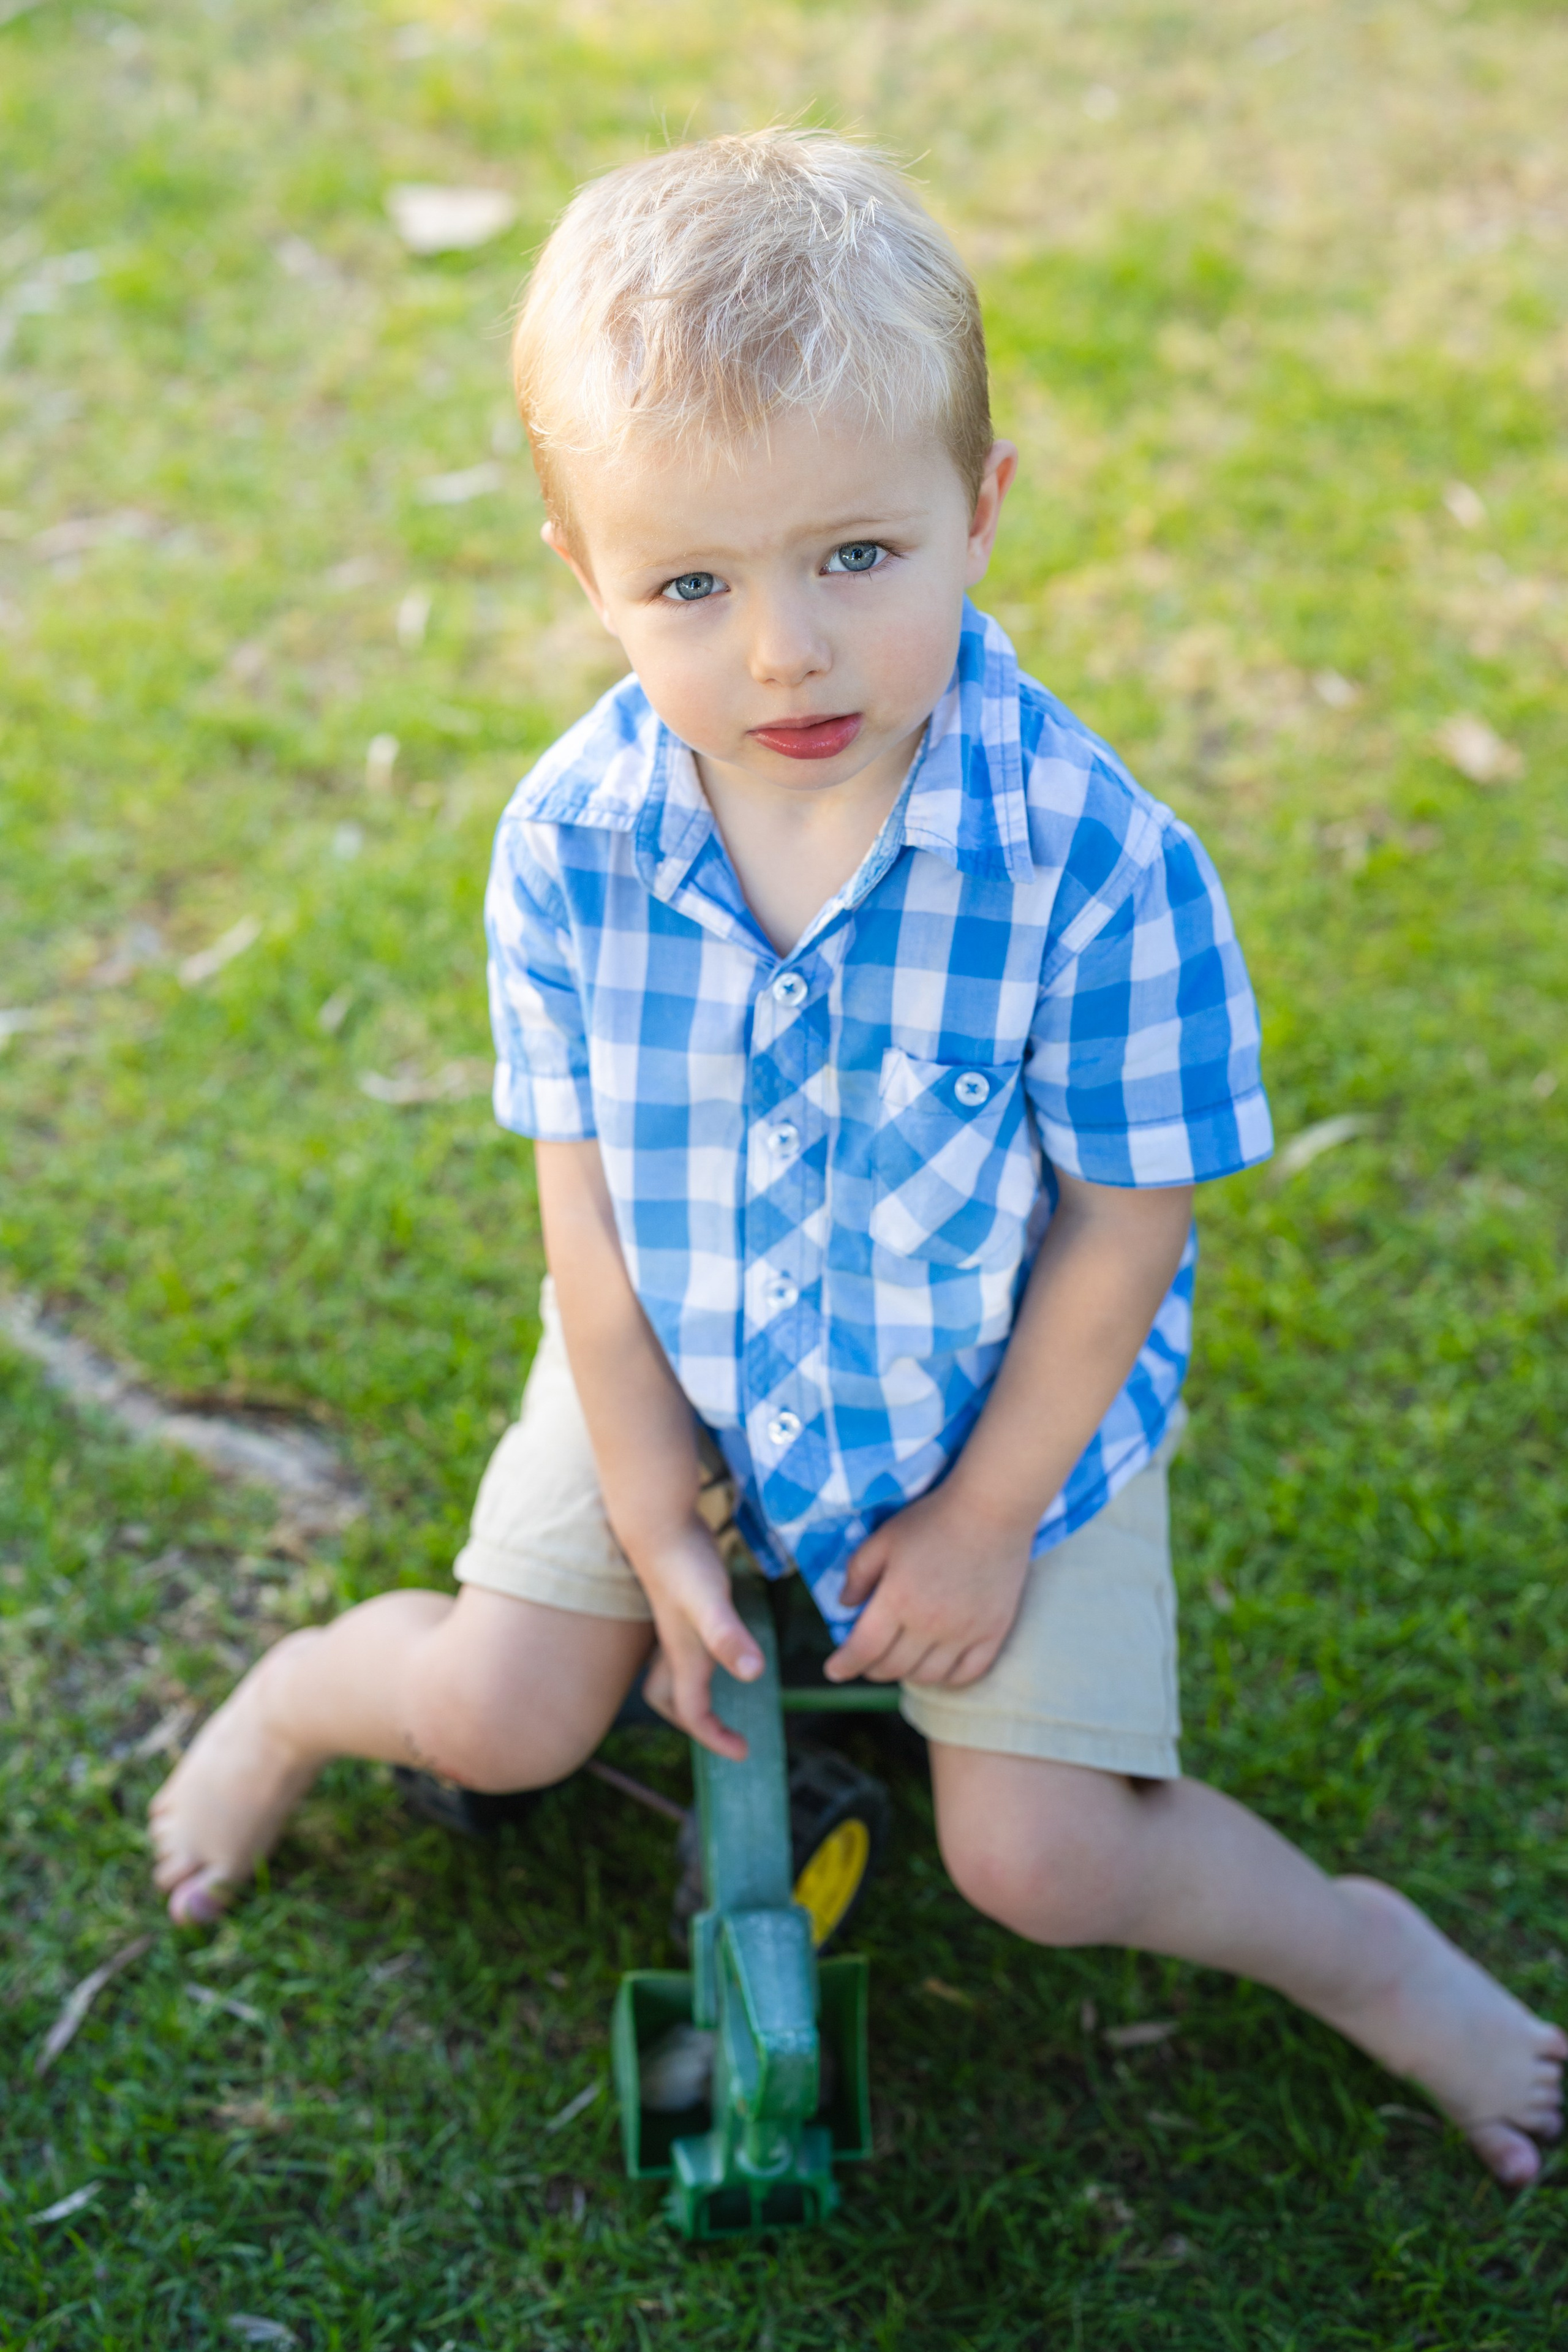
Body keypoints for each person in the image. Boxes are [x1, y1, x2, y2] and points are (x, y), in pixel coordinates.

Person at [151, 129, 1562, 2186]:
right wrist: (641, 1474)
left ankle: (1368, 1960)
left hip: (992, 1388)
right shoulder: (574, 839)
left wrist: (991, 1517)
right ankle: (294, 1700)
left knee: (1045, 1855)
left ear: (979, 511)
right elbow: (581, 1176)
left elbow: (1123, 1226)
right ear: (584, 571)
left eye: (856, 559)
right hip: (681, 1345)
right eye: (694, 587)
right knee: (509, 1713)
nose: (785, 653)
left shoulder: (1091, 861)